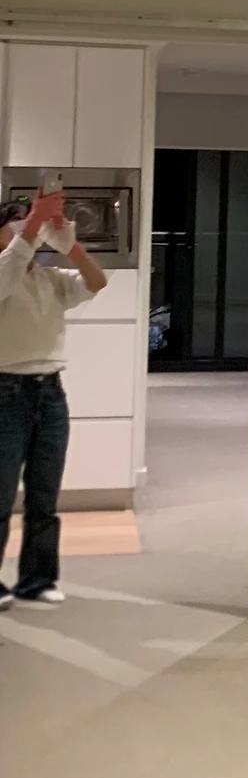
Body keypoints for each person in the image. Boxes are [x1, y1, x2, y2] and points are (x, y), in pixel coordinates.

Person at [0, 191, 107, 610]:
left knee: (44, 495)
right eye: (13, 224)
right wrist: (31, 227)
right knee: (1, 494)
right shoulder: (4, 273)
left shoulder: (49, 278)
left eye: (27, 225)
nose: (23, 232)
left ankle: (37, 579)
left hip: (49, 391)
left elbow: (96, 282)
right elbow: (9, 267)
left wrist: (70, 246)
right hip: (6, 391)